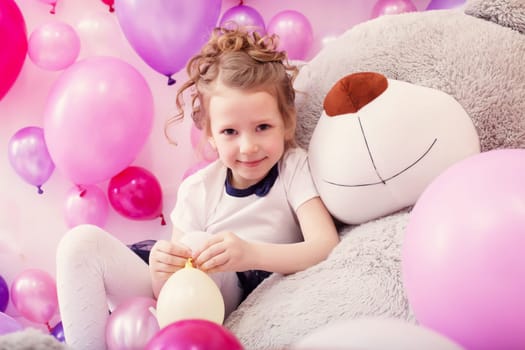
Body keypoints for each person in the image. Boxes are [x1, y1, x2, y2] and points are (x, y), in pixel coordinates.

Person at [55, 26, 339, 350]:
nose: (248, 147)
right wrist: (162, 268)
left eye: (263, 127)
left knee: (200, 243)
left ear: (286, 122)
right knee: (79, 244)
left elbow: (325, 245)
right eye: (230, 131)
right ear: (210, 136)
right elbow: (172, 292)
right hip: (178, 305)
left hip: (239, 296)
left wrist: (250, 254)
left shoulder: (292, 168)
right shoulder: (198, 188)